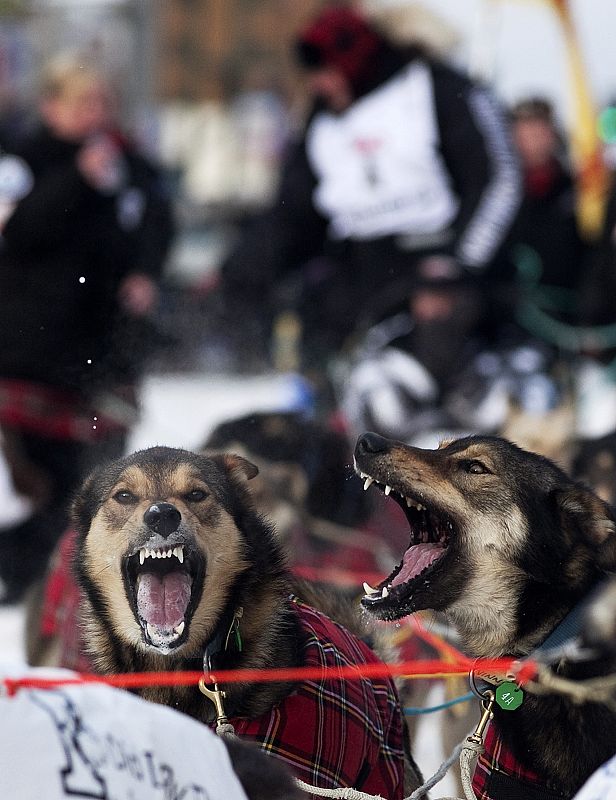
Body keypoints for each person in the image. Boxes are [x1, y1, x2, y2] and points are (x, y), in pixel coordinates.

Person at [219, 4, 521, 379]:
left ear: (351, 60)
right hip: (356, 284)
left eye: (324, 72)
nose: (317, 84)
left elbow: (499, 179)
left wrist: (457, 265)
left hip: (440, 280)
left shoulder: (437, 89)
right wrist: (238, 271)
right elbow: (292, 214)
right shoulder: (320, 120)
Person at [0, 52, 174, 602]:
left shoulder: (127, 163)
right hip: (33, 351)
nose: (93, 114)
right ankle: (25, 577)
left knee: (101, 485)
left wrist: (145, 270)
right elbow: (21, 231)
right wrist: (77, 179)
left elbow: (157, 218)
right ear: (52, 106)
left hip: (105, 350)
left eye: (101, 103)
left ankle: (72, 579)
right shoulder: (23, 160)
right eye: (81, 103)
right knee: (38, 484)